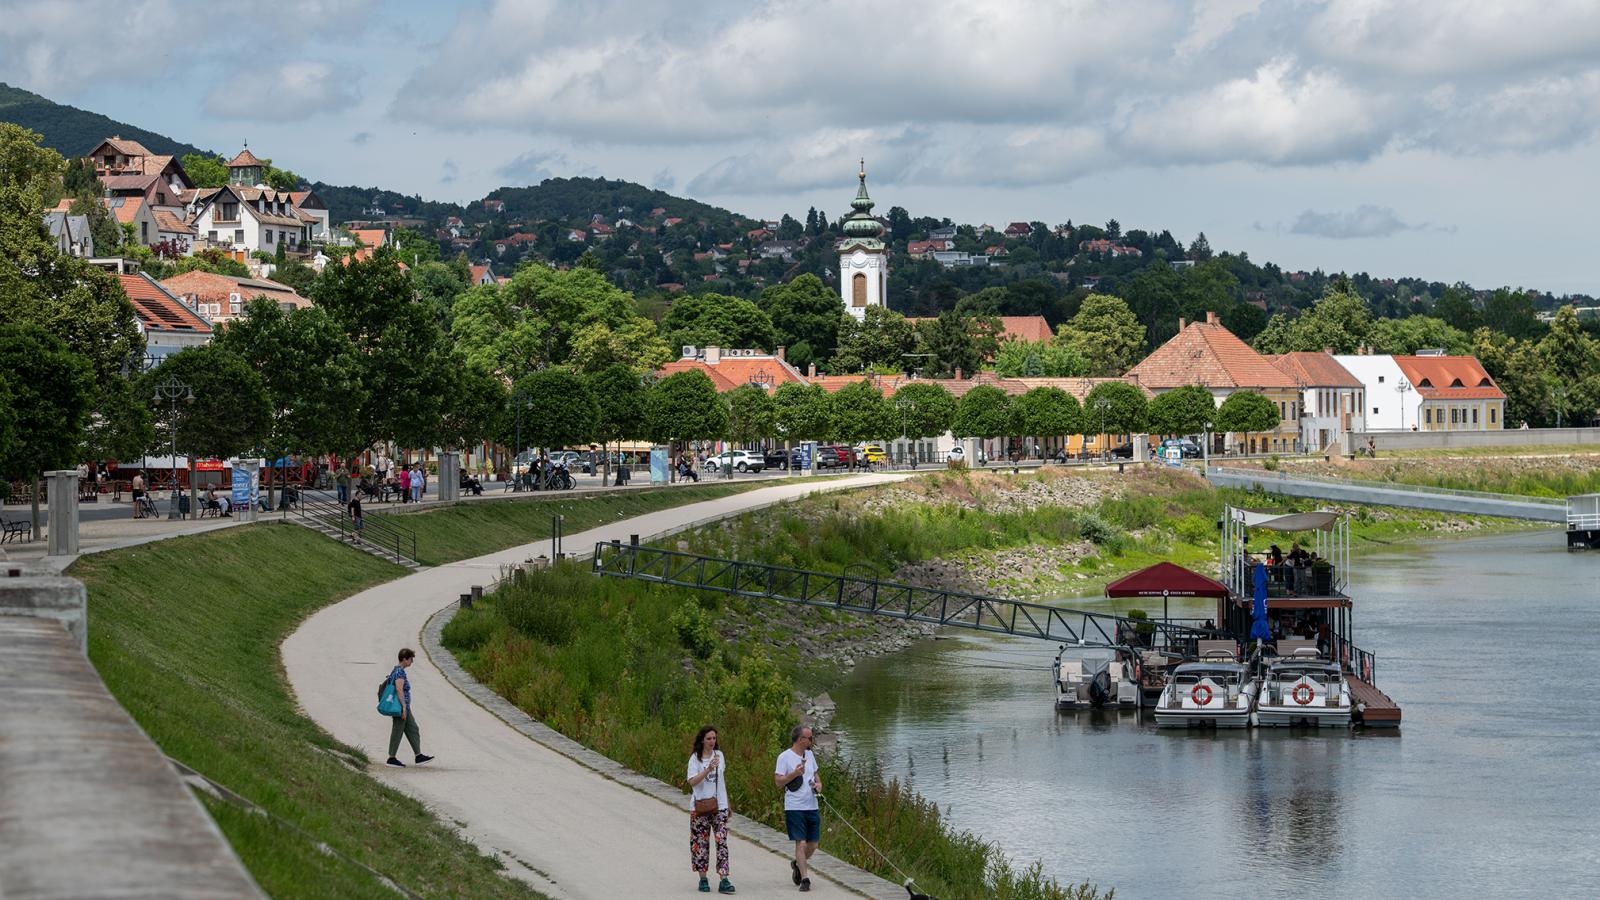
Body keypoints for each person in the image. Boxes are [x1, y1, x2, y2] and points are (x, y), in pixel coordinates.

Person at [687, 725, 736, 894]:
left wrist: (728, 803)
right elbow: (692, 781)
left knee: (722, 841)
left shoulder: (720, 755)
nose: (712, 742)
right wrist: (708, 769)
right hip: (700, 806)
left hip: (719, 805)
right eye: (709, 738)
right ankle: (703, 878)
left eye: (714, 738)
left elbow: (721, 782)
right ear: (702, 740)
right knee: (700, 843)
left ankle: (724, 878)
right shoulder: (695, 759)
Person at [773, 725, 822, 892]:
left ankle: (796, 863)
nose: (811, 741)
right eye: (809, 738)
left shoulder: (810, 754)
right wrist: (794, 774)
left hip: (812, 804)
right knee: (800, 843)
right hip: (794, 806)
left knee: (813, 844)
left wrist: (818, 784)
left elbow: (815, 774)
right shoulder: (784, 757)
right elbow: (778, 782)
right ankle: (805, 879)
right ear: (801, 739)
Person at [384, 648, 432, 767]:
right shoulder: (399, 672)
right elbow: (399, 689)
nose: (412, 662)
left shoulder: (397, 670)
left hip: (405, 707)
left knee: (413, 729)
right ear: (405, 659)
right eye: (411, 659)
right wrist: (403, 708)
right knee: (397, 730)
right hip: (400, 707)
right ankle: (391, 758)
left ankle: (418, 756)